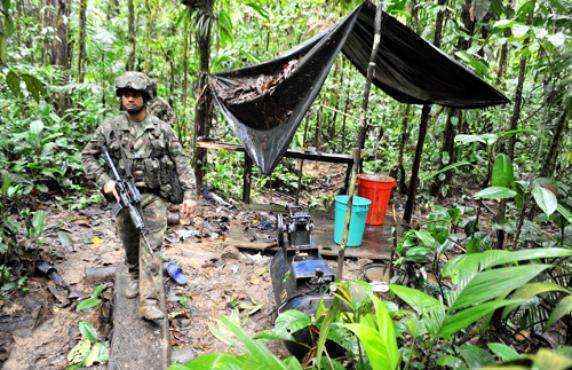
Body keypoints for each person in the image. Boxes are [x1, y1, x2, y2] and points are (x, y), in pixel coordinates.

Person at [81, 71, 197, 322]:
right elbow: (87, 156)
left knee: (151, 246)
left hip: (153, 197)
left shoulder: (162, 129)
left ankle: (149, 301)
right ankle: (133, 274)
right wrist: (106, 182)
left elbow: (181, 162)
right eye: (125, 95)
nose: (129, 100)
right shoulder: (110, 128)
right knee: (130, 241)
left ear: (145, 97)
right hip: (123, 196)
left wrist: (190, 195)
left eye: (134, 95)